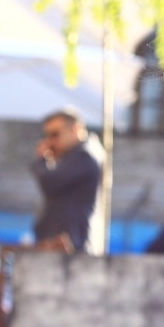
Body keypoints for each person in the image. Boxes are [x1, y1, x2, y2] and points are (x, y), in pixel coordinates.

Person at [30, 108, 104, 252]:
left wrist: (41, 161)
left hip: (70, 245)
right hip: (62, 242)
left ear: (75, 129)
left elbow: (51, 183)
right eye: (47, 135)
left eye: (55, 134)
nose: (50, 141)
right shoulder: (74, 155)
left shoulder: (84, 155)